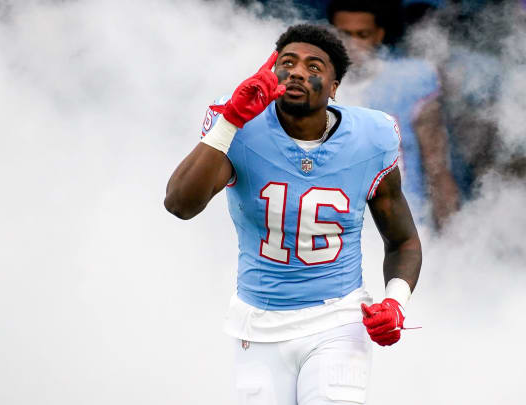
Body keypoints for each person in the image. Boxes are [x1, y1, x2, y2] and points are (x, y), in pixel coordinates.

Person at [164, 24, 422, 404]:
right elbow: (179, 205)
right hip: (258, 320)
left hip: (338, 318)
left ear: (335, 87)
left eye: (314, 67)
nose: (298, 72)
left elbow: (403, 240)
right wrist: (230, 121)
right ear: (271, 72)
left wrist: (395, 302)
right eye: (287, 62)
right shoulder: (241, 127)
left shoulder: (371, 136)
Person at [327, 0, 460, 229]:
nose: (351, 44)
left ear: (379, 35)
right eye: (343, 34)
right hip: (336, 232)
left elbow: (437, 168)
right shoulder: (312, 87)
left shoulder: (410, 83)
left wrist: (454, 239)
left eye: (362, 34)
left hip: (404, 229)